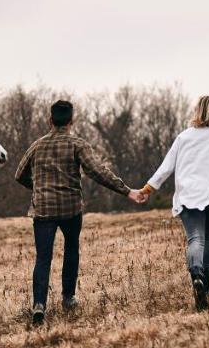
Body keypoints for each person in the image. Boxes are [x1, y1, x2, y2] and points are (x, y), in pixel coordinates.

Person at [15, 99, 144, 325]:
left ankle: (39, 305)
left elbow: (19, 174)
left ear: (50, 120)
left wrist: (39, 188)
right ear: (72, 120)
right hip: (70, 208)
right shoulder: (78, 144)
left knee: (43, 257)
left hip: (43, 209)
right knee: (71, 249)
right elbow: (98, 172)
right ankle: (68, 298)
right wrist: (127, 192)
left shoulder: (37, 145)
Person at [134, 95, 209, 311]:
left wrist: (148, 188)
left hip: (189, 195)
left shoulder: (184, 137)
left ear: (197, 111)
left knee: (196, 238)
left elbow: (166, 166)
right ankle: (207, 282)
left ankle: (197, 277)